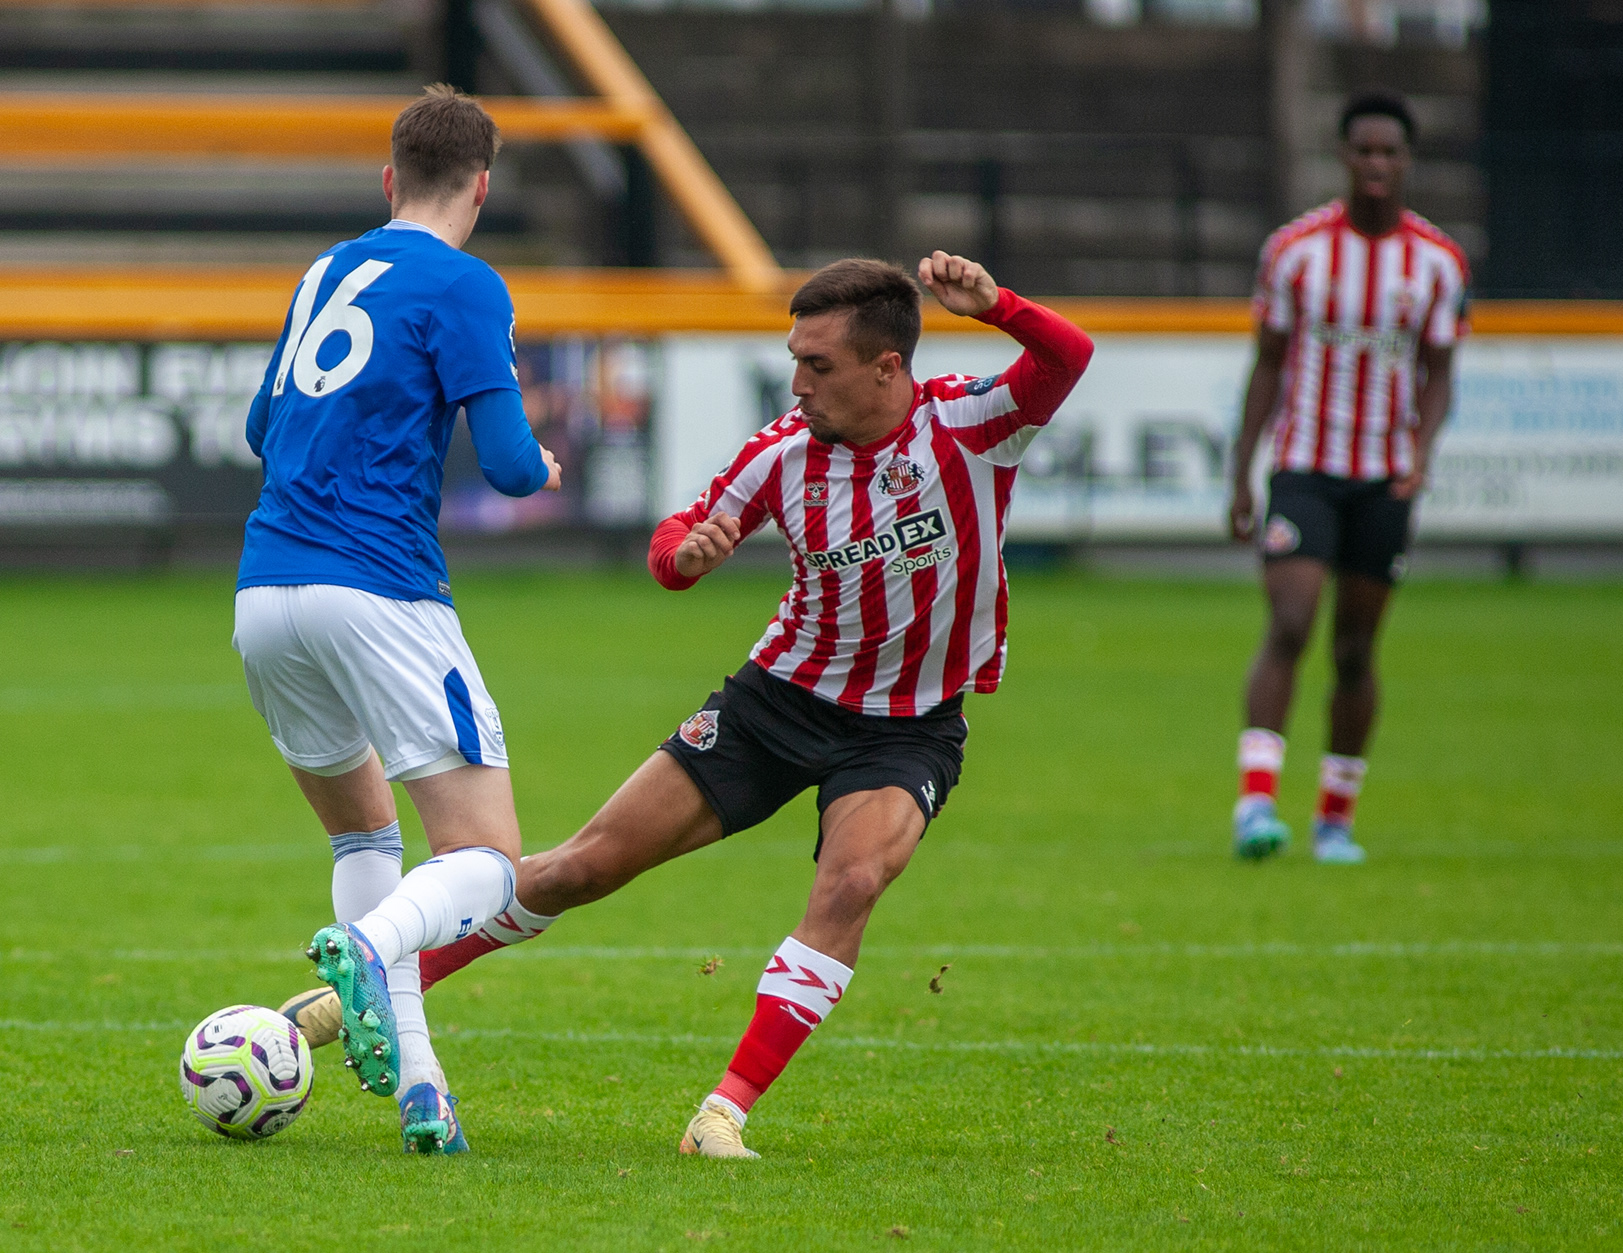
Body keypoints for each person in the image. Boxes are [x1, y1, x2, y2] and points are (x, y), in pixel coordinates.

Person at [292, 252, 1094, 1159]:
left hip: (907, 730)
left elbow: (1068, 356)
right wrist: (686, 557)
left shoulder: (971, 424)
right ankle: (376, 989)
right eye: (794, 361)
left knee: (852, 884)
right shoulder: (783, 451)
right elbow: (673, 542)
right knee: (581, 866)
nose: (798, 384)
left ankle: (722, 1113)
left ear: (887, 367)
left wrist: (999, 305)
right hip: (774, 706)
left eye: (818, 365)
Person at [233, 84, 561, 1155]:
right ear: (482, 187)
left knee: (365, 831)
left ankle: (423, 1087)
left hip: (263, 593)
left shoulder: (326, 268)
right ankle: (370, 946)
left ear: (388, 179)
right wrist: (542, 463)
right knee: (490, 859)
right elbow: (508, 465)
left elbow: (260, 426)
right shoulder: (466, 282)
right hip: (378, 589)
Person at [1226, 90, 1467, 864]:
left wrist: (1421, 448)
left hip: (1383, 476)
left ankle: (1334, 818)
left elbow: (1439, 370)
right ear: (1343, 155)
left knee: (1356, 650)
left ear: (1407, 160)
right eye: (1364, 149)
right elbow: (1268, 363)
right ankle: (1256, 804)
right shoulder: (1295, 250)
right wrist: (1242, 470)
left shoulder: (1437, 261)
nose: (1376, 163)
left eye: (1389, 151)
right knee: (1291, 622)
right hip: (1304, 465)